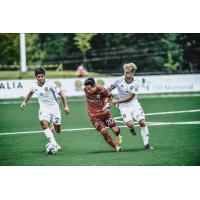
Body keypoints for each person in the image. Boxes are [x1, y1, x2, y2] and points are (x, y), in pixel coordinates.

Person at [20, 67, 70, 151]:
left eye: (42, 76)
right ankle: (54, 144)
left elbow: (62, 94)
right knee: (43, 124)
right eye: (38, 76)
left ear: (44, 76)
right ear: (36, 77)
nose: (40, 78)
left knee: (57, 129)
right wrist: (24, 102)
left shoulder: (50, 84)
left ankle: (54, 127)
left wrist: (66, 106)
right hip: (44, 108)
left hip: (54, 108)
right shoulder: (33, 85)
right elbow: (30, 93)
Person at [108, 63, 154, 150]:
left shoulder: (136, 83)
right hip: (123, 106)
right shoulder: (118, 80)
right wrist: (107, 95)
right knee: (130, 124)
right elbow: (108, 89)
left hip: (134, 104)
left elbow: (129, 98)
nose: (127, 74)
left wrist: (116, 101)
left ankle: (146, 144)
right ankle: (131, 128)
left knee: (142, 122)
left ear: (133, 73)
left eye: (129, 73)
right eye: (125, 72)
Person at [84, 77, 122, 152]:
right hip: (94, 116)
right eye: (87, 89)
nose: (88, 91)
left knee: (116, 130)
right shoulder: (86, 90)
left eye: (90, 89)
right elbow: (86, 97)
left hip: (105, 114)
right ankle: (116, 147)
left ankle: (118, 135)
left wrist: (108, 105)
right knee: (103, 131)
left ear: (94, 85)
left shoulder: (102, 90)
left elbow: (110, 98)